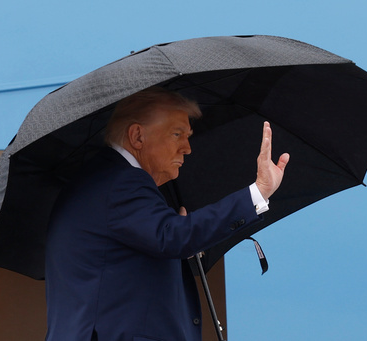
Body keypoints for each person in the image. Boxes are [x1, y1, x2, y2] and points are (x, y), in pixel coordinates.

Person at [44, 87, 289, 341]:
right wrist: (258, 192)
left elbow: (152, 248)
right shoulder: (122, 182)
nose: (187, 147)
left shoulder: (103, 180)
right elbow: (172, 238)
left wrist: (177, 230)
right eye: (177, 134)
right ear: (137, 136)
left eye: (188, 135)